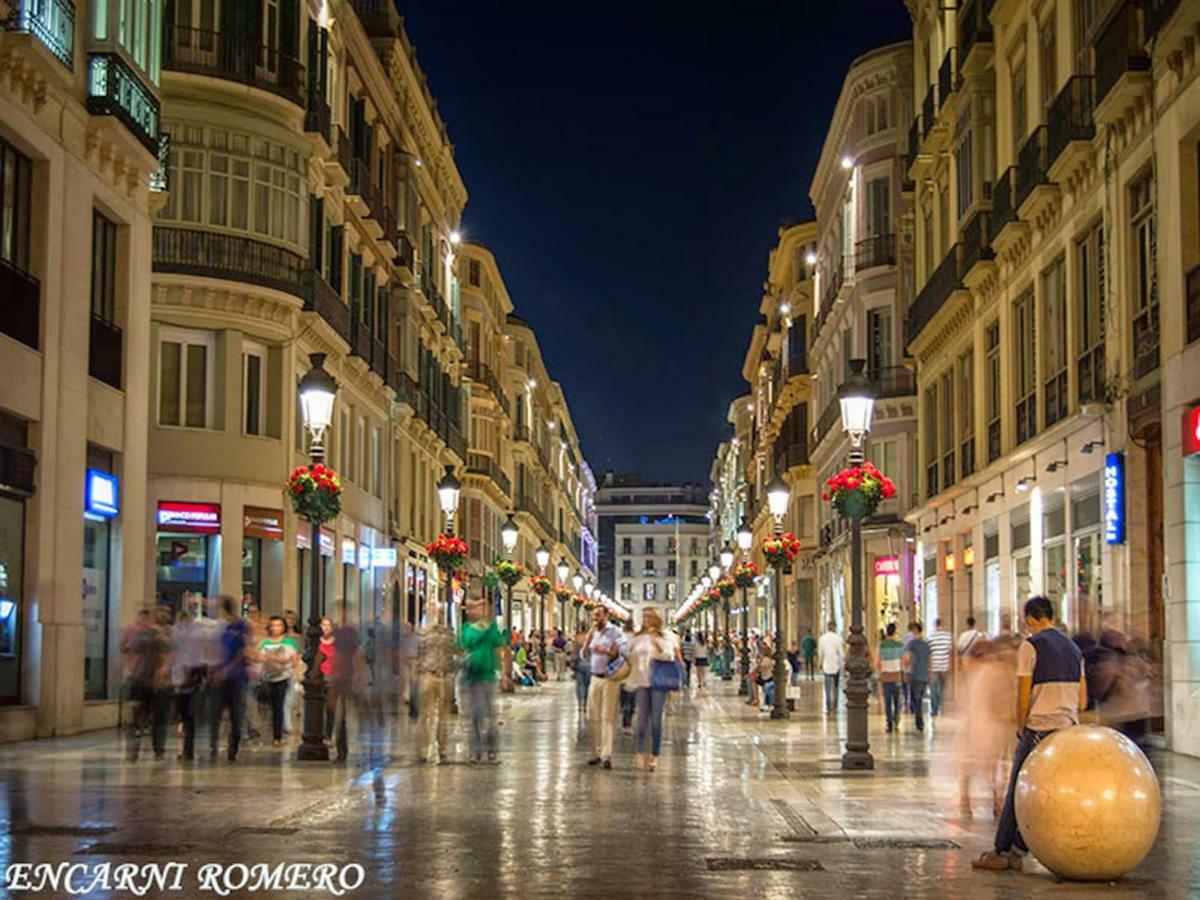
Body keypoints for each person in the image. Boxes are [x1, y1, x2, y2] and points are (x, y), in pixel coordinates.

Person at [973, 596, 1086, 872]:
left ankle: (1001, 850)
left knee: (1018, 787)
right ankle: (1020, 849)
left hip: (1039, 726)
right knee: (1048, 790)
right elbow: (1083, 700)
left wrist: (1021, 725)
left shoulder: (1031, 646)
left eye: (1028, 623)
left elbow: (1023, 696)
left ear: (1032, 620)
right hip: (1067, 729)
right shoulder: (1074, 648)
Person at [627, 607, 681, 772]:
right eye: (644, 616)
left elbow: (669, 656)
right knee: (641, 720)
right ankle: (638, 752)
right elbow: (629, 653)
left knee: (656, 720)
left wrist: (657, 643)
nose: (646, 620)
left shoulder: (665, 636)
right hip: (641, 682)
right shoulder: (638, 637)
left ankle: (654, 754)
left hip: (659, 682)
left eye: (650, 617)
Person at [460, 598, 506, 763]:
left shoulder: (491, 627)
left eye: (483, 608)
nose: (480, 611)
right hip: (473, 677)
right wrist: (483, 631)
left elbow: (499, 642)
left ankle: (492, 751)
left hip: (489, 676)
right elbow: (467, 642)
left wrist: (503, 673)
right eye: (477, 608)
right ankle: (475, 751)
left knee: (492, 716)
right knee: (475, 715)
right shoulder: (467, 628)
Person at [125, 606, 173, 761]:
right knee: (155, 719)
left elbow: (132, 654)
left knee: (141, 717)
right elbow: (168, 657)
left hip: (148, 682)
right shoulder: (158, 637)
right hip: (150, 683)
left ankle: (141, 750)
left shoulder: (154, 636)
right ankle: (157, 750)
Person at [582, 606, 625, 769]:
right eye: (594, 615)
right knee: (591, 716)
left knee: (607, 717)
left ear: (606, 616)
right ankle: (596, 753)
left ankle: (607, 755)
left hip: (610, 679)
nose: (595, 618)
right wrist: (587, 641)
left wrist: (607, 651)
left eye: (598, 615)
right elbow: (584, 654)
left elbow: (622, 652)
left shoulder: (615, 632)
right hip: (594, 677)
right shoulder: (593, 632)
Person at [209, 596, 249, 761]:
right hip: (220, 677)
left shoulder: (240, 626)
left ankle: (232, 750)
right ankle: (213, 748)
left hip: (236, 677)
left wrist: (227, 669)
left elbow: (243, 650)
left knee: (236, 716)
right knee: (215, 714)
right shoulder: (222, 628)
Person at [416, 604, 456, 763]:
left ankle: (443, 749)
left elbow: (454, 651)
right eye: (431, 610)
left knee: (444, 716)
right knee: (425, 715)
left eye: (438, 611)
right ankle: (423, 750)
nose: (435, 613)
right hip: (428, 675)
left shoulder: (447, 632)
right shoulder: (422, 632)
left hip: (444, 675)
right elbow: (417, 653)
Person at [258, 616, 300, 746]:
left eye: (279, 625)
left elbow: (294, 660)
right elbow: (260, 657)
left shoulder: (289, 642)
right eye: (273, 625)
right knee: (267, 706)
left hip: (283, 676)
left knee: (279, 706)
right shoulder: (265, 642)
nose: (276, 628)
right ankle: (267, 732)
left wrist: (280, 662)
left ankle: (277, 736)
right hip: (267, 677)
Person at [904, 621, 932, 733]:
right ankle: (920, 723)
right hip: (924, 674)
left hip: (915, 674)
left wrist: (906, 671)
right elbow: (930, 660)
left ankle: (919, 723)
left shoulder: (912, 644)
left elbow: (908, 658)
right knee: (919, 698)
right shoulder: (926, 644)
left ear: (915, 630)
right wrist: (930, 673)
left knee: (916, 700)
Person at [877, 622, 905, 732]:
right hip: (897, 675)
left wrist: (879, 673)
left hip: (886, 676)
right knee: (897, 700)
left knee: (888, 701)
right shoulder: (899, 645)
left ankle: (889, 722)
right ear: (894, 632)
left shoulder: (882, 645)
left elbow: (877, 662)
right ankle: (896, 720)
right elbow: (903, 661)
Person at [817, 621, 845, 714]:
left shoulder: (822, 639)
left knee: (827, 687)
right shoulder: (838, 639)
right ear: (835, 627)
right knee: (836, 687)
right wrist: (843, 664)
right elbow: (841, 653)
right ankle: (835, 706)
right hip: (836, 665)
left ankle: (829, 707)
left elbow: (820, 652)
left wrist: (820, 663)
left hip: (826, 665)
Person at [928, 618, 953, 716]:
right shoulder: (948, 636)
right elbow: (950, 652)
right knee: (943, 688)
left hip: (934, 666)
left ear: (935, 625)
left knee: (934, 688)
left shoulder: (931, 637)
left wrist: (929, 667)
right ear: (942, 624)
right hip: (944, 665)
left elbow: (929, 653)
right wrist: (950, 665)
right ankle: (943, 707)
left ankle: (934, 709)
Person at [572, 627, 591, 714]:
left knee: (580, 685)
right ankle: (585, 705)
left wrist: (573, 662)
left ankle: (580, 704)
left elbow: (574, 652)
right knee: (587, 686)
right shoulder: (590, 638)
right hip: (590, 664)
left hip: (579, 664)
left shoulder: (577, 638)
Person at [757, 639, 776, 711]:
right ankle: (766, 704)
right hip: (769, 678)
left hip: (770, 678)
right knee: (767, 687)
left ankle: (770, 704)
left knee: (767, 687)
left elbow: (760, 668)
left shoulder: (767, 660)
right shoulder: (766, 659)